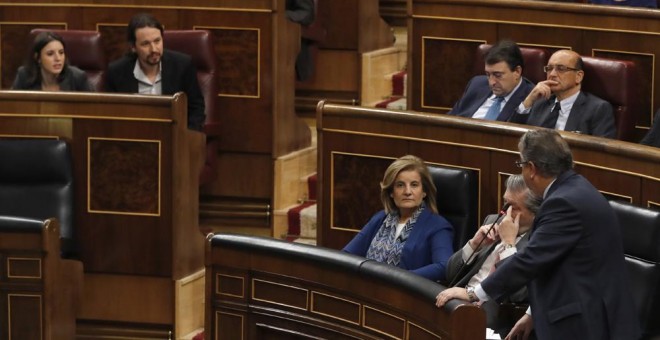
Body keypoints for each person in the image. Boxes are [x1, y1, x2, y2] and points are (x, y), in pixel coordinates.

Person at [435, 129, 640, 340]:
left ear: (531, 168)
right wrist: (532, 314)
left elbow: (530, 261)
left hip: (587, 323)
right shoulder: (576, 189)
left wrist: (472, 293)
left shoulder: (563, 202)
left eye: (520, 165)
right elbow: (557, 261)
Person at [438, 174, 539, 336]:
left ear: (535, 213)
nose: (506, 213)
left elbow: (519, 295)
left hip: (491, 319)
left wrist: (508, 245)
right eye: (506, 204)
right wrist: (473, 245)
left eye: (515, 207)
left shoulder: (537, 242)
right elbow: (450, 273)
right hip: (456, 302)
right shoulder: (492, 221)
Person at [342, 155, 454, 282]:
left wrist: (400, 279)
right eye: (400, 185)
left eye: (414, 185)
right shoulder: (380, 218)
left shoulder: (438, 226)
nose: (407, 191)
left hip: (408, 296)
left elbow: (444, 267)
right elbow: (347, 255)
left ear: (424, 192)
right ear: (391, 192)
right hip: (369, 290)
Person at [105, 13, 205, 131]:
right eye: (145, 44)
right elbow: (111, 115)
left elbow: (196, 109)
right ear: (133, 47)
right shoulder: (117, 72)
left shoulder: (182, 66)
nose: (154, 49)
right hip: (135, 139)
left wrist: (186, 138)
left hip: (174, 137)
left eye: (157, 41)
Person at [511, 50, 617, 138]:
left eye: (561, 69)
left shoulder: (598, 109)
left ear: (578, 76)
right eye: (549, 69)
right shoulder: (539, 102)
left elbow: (601, 153)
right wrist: (528, 101)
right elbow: (511, 137)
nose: (552, 74)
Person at [448, 40, 534, 122]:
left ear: (517, 72)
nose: (491, 82)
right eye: (488, 74)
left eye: (498, 75)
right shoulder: (476, 84)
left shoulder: (532, 97)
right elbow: (448, 121)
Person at [12, 31, 93, 92]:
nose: (58, 58)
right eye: (50, 54)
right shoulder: (24, 76)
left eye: (61, 53)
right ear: (38, 58)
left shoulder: (78, 78)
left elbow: (95, 109)